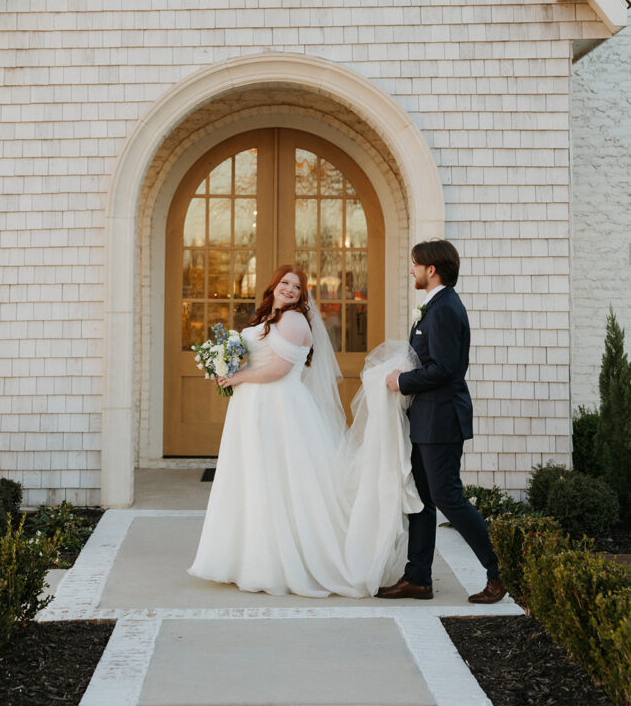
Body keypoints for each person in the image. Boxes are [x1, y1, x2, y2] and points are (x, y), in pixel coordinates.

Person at [188, 264, 423, 598]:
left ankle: (281, 564)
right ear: (273, 286)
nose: (288, 290)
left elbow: (280, 369)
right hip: (253, 407)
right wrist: (226, 366)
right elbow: (257, 358)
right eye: (284, 283)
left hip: (278, 409)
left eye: (296, 288)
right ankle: (246, 559)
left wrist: (237, 377)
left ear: (302, 296)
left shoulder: (294, 320)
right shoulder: (267, 318)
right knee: (253, 480)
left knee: (280, 482)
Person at [377, 238, 506, 604]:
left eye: (415, 264)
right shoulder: (434, 306)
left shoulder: (446, 308)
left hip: (442, 420)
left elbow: (446, 369)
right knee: (421, 498)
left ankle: (499, 572)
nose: (412, 270)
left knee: (448, 498)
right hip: (425, 419)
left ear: (431, 269)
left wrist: (401, 380)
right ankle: (417, 578)